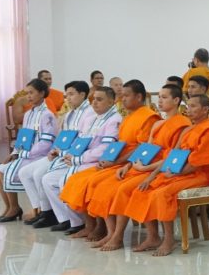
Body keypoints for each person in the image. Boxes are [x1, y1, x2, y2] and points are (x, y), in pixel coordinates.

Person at [122, 94, 209, 256]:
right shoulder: (189, 130)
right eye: (188, 106)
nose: (188, 109)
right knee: (142, 189)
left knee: (162, 193)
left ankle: (168, 239)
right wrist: (151, 177)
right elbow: (171, 156)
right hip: (179, 172)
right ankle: (153, 237)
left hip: (201, 176)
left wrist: (176, 174)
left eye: (193, 106)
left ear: (205, 109)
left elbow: (198, 163)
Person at [59, 80, 159, 243]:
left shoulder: (148, 117)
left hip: (136, 163)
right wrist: (108, 160)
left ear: (139, 97)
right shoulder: (128, 117)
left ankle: (114, 234)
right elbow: (119, 145)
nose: (123, 99)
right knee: (78, 179)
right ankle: (97, 227)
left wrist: (116, 162)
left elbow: (142, 148)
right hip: (119, 161)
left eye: (126, 96)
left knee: (100, 185)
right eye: (122, 95)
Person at [96, 84, 192, 252]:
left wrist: (145, 170)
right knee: (112, 185)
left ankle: (119, 235)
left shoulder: (182, 124)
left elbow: (173, 157)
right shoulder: (158, 124)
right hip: (144, 166)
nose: (159, 100)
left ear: (176, 100)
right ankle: (147, 236)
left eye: (164, 97)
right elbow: (145, 150)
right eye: (159, 97)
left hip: (161, 168)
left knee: (127, 189)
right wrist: (128, 165)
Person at [44, 86, 122, 235]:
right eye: (93, 99)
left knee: (66, 181)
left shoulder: (114, 120)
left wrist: (79, 159)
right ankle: (75, 221)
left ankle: (89, 223)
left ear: (111, 102)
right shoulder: (91, 118)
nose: (94, 103)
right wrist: (67, 154)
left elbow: (105, 149)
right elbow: (80, 141)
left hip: (96, 162)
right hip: (80, 160)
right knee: (48, 179)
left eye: (99, 99)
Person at [18, 80, 94, 227]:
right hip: (62, 153)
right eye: (66, 95)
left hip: (75, 156)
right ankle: (46, 212)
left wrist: (63, 152)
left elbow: (83, 139)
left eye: (71, 94)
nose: (68, 99)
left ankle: (63, 217)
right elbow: (63, 136)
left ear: (82, 94)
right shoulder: (70, 113)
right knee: (26, 172)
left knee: (41, 175)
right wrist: (55, 149)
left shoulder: (89, 114)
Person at [0, 78, 57, 222]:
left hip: (39, 156)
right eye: (27, 93)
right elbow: (24, 137)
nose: (28, 96)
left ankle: (24, 208)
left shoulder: (47, 115)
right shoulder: (29, 114)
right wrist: (15, 153)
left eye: (31, 93)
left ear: (42, 93)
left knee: (4, 171)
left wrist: (26, 153)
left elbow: (46, 142)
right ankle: (11, 206)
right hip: (26, 154)